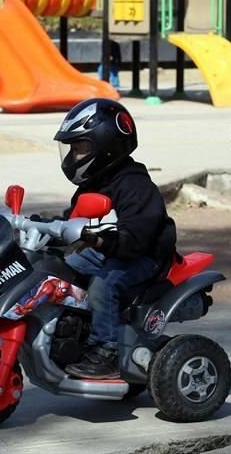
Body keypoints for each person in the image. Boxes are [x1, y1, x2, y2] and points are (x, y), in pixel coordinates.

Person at [54, 98, 177, 379]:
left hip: (144, 257)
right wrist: (43, 229)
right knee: (59, 270)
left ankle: (106, 350)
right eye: (71, 149)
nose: (73, 157)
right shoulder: (94, 183)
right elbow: (74, 220)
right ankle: (73, 332)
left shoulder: (135, 185)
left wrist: (99, 242)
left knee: (103, 285)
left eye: (80, 148)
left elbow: (136, 239)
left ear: (106, 146)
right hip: (108, 250)